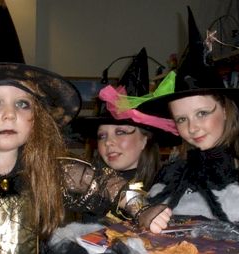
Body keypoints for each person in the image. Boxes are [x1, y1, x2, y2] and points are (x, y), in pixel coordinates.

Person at [0, 62, 162, 253]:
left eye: (23, 104)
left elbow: (110, 184)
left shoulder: (51, 172)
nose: (9, 115)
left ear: (38, 119)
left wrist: (144, 210)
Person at [134, 7, 239, 233]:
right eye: (181, 119)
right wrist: (145, 216)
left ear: (225, 108)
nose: (192, 128)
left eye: (202, 113)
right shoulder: (174, 171)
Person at [70, 47, 181, 223]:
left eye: (120, 132)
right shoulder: (89, 183)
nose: (108, 143)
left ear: (145, 139)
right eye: (102, 136)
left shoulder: (170, 185)